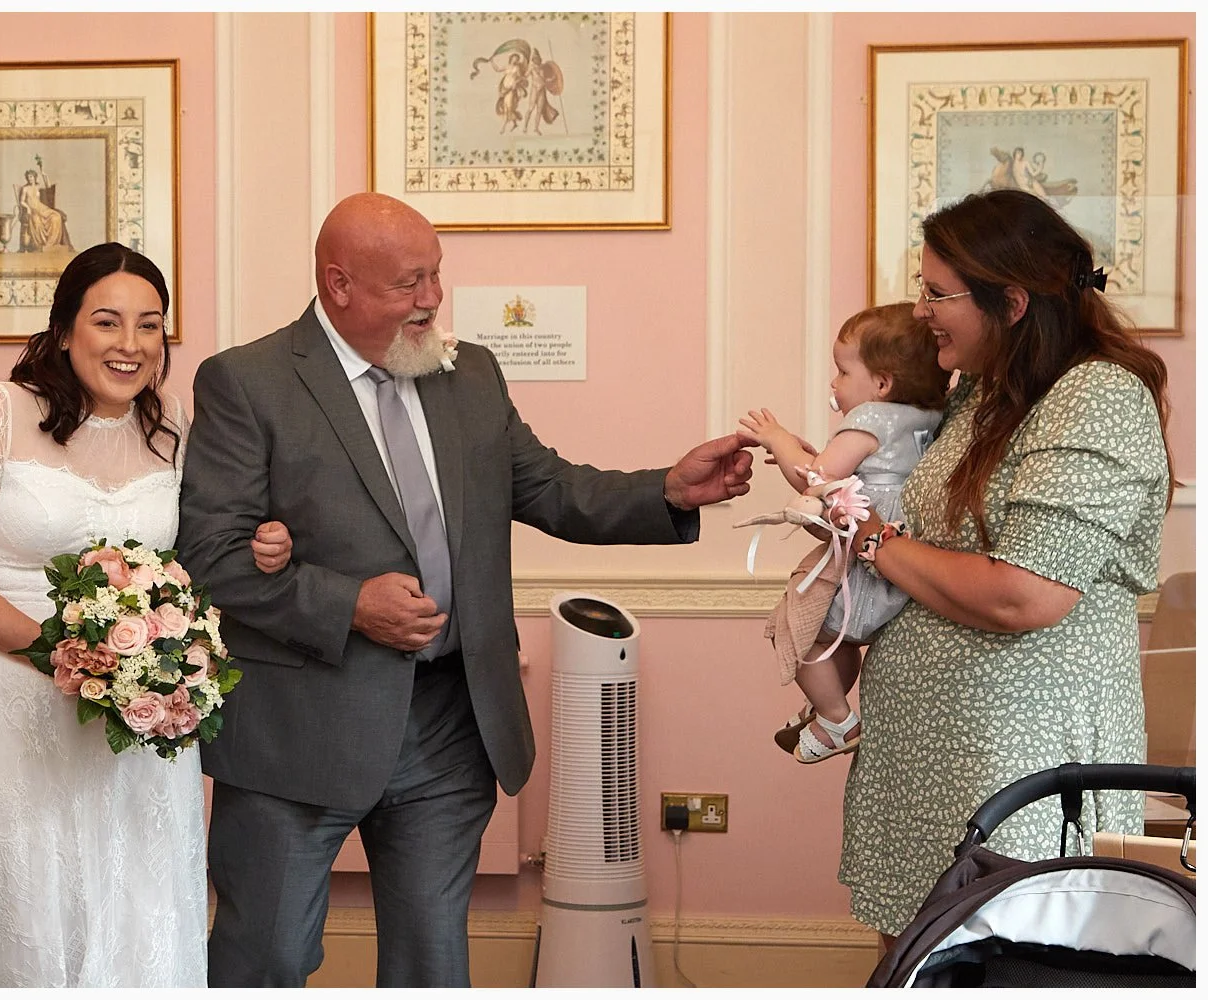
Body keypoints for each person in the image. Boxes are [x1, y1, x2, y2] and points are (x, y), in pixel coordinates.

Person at [177, 191, 755, 987]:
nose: (432, 299)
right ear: (338, 285)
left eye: (436, 275)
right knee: (264, 957)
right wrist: (352, 606)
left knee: (433, 963)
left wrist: (667, 491)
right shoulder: (249, 382)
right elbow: (211, 556)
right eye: (408, 283)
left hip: (451, 723)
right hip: (299, 730)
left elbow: (549, 488)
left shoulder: (469, 371)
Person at [0, 242, 289, 985]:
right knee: (24, 901)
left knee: (133, 907)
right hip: (11, 711)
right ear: (64, 330)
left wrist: (267, 546)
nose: (131, 344)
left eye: (150, 325)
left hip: (134, 721)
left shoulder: (173, 425)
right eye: (108, 321)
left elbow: (199, 556)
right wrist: (62, 654)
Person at [836, 189, 1173, 946]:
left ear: (1012, 303)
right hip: (931, 756)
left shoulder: (1095, 396)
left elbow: (1024, 594)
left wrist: (872, 540)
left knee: (1010, 963)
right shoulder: (983, 393)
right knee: (920, 962)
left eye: (936, 293)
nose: (920, 311)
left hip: (1018, 761)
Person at [736, 303, 948, 763]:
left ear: (882, 384)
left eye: (843, 371)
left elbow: (817, 479)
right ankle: (825, 702)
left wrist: (779, 439)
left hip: (863, 555)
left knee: (797, 627)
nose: (834, 384)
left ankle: (837, 719)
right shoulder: (927, 417)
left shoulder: (869, 417)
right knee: (841, 638)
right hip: (898, 554)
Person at [16, 163, 71, 252]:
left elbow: (48, 186)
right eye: (28, 177)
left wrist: (44, 175)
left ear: (35, 177)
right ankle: (41, 244)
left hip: (41, 208)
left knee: (56, 217)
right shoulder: (25, 189)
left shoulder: (38, 186)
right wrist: (28, 208)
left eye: (31, 177)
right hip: (33, 209)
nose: (30, 179)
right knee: (37, 222)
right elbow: (22, 201)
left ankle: (51, 243)